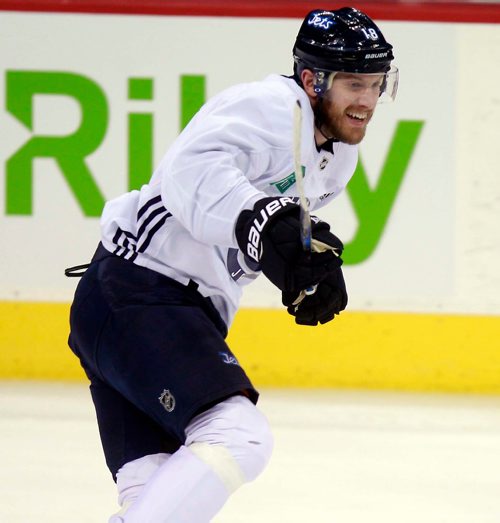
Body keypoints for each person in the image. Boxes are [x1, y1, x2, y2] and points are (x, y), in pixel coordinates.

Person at [66, 7, 398, 522]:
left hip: (157, 310)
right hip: (138, 292)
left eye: (378, 84)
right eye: (355, 83)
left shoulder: (339, 160)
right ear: (312, 80)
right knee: (237, 436)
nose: (368, 101)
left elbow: (255, 235)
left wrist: (301, 266)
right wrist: (263, 220)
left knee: (157, 498)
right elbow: (188, 171)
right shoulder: (267, 107)